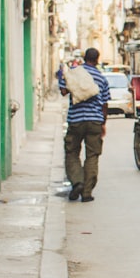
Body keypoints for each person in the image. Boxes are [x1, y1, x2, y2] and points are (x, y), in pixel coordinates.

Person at [58, 47, 110, 203]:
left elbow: (63, 91)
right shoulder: (101, 78)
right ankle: (87, 192)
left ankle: (77, 182)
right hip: (94, 120)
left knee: (72, 152)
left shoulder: (74, 72)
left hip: (76, 119)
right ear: (97, 60)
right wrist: (103, 123)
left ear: (83, 58)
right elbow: (105, 104)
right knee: (92, 156)